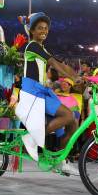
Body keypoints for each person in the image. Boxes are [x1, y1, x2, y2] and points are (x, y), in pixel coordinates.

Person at [15, 12, 80, 175]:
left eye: (46, 28)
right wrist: (73, 77)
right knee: (68, 116)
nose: (44, 30)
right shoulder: (33, 46)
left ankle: (61, 160)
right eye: (40, 28)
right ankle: (32, 137)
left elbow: (60, 64)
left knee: (74, 124)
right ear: (32, 31)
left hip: (41, 92)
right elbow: (53, 63)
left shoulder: (41, 47)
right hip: (33, 92)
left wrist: (79, 76)